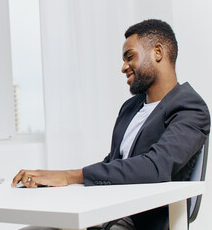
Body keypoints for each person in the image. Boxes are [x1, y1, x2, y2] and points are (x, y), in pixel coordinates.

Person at [11, 19, 211, 230]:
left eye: (130, 57)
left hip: (143, 222)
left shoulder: (190, 107)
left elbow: (156, 167)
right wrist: (57, 180)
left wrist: (69, 176)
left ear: (158, 52)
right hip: (108, 212)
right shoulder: (130, 107)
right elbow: (114, 161)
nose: (124, 67)